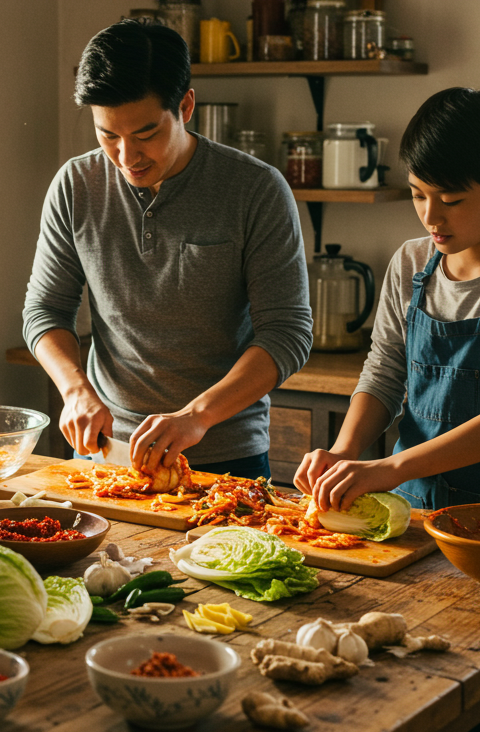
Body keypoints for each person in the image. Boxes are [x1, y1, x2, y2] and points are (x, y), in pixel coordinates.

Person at [293, 87, 480, 732]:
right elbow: (384, 370)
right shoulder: (409, 264)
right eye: (421, 194)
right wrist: (342, 455)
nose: (432, 216)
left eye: (451, 200)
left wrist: (389, 467)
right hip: (409, 526)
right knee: (401, 711)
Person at [22, 20, 312, 479]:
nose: (126, 156)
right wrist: (75, 389)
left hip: (224, 456)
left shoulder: (255, 189)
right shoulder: (76, 185)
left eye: (145, 133)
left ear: (186, 106)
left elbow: (287, 334)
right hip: (105, 453)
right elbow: (45, 310)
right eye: (108, 135)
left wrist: (196, 416)